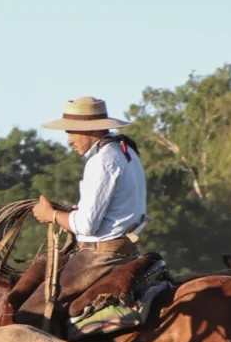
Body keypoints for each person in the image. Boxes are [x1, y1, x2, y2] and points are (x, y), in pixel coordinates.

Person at [16, 95, 147, 321]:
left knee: (29, 315)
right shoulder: (125, 151)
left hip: (101, 256)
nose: (69, 140)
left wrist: (51, 215)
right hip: (125, 249)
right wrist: (72, 214)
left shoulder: (101, 161)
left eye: (71, 132)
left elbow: (86, 226)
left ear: (91, 130)